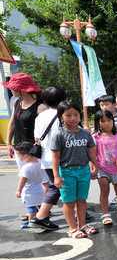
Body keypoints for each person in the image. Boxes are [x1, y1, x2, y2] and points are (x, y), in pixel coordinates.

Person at [51, 101, 98, 238]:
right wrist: (56, 176)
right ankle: (72, 228)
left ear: (80, 116)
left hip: (84, 170)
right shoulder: (58, 134)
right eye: (68, 115)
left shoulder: (85, 134)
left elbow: (91, 152)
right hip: (67, 172)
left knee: (82, 200)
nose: (73, 118)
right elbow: (55, 158)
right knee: (69, 201)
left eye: (76, 115)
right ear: (61, 117)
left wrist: (95, 166)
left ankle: (82, 225)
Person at [28, 87, 67, 230]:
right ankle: (40, 217)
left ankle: (81, 212)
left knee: (58, 186)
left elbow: (37, 138)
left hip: (46, 158)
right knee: (57, 187)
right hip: (62, 158)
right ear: (63, 99)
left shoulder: (40, 117)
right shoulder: (65, 115)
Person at [93, 110, 117, 225]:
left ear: (113, 121)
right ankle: (105, 214)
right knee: (104, 191)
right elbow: (92, 154)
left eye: (109, 120)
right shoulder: (96, 137)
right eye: (103, 121)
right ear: (98, 123)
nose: (106, 123)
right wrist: (93, 167)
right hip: (102, 168)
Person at [2, 73, 48, 168]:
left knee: (36, 181)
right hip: (19, 150)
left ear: (21, 89)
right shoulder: (17, 102)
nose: (10, 89)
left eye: (12, 87)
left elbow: (46, 131)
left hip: (34, 151)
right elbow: (12, 124)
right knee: (25, 179)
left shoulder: (41, 107)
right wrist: (9, 143)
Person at [14, 141, 49, 228]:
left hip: (30, 191)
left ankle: (31, 222)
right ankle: (43, 219)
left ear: (26, 156)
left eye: (19, 156)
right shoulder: (41, 163)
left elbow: (23, 179)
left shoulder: (26, 167)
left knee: (31, 208)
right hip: (40, 190)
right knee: (41, 207)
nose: (18, 158)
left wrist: (19, 190)